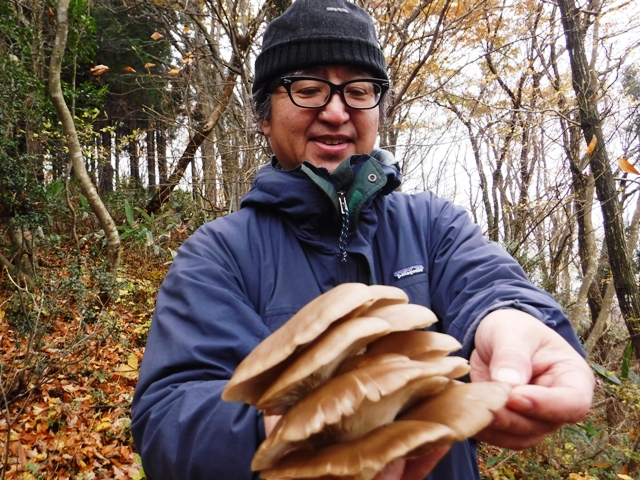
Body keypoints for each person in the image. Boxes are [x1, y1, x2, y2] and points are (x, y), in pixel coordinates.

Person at [131, 1, 595, 479]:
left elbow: (488, 285)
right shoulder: (219, 253)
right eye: (307, 89)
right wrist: (295, 427)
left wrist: (513, 325)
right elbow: (167, 421)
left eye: (359, 91)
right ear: (264, 117)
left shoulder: (433, 224)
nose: (336, 111)